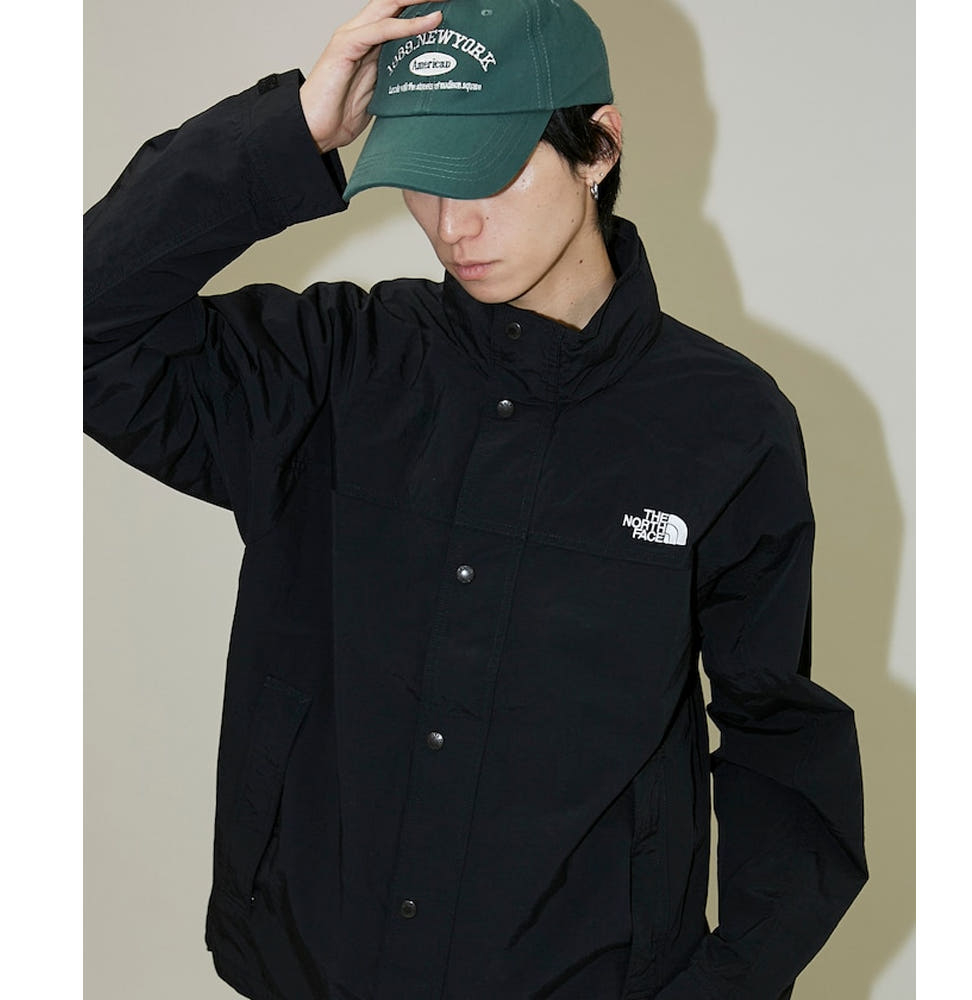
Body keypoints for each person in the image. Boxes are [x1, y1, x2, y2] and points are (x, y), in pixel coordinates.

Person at [83, 1, 868, 997]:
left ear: (599, 147)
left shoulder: (726, 425)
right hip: (313, 970)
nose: (452, 226)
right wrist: (290, 131)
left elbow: (778, 734)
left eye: (489, 173)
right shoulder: (331, 366)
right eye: (425, 179)